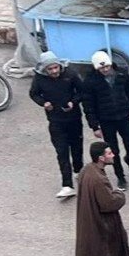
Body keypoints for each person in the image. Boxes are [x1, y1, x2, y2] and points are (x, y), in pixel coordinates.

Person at [30, 52, 87, 198]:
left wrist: (73, 102)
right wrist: (44, 103)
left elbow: (82, 91)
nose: (54, 71)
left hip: (73, 119)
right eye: (50, 69)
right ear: (44, 70)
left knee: (76, 147)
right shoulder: (39, 78)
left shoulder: (70, 74)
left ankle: (79, 171)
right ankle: (67, 185)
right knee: (62, 152)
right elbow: (34, 94)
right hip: (55, 121)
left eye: (56, 68)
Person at [79, 53, 129, 186]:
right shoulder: (90, 82)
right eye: (102, 68)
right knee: (113, 151)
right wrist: (94, 126)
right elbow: (88, 105)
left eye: (107, 66)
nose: (105, 70)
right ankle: (120, 176)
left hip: (124, 116)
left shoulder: (122, 74)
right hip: (106, 120)